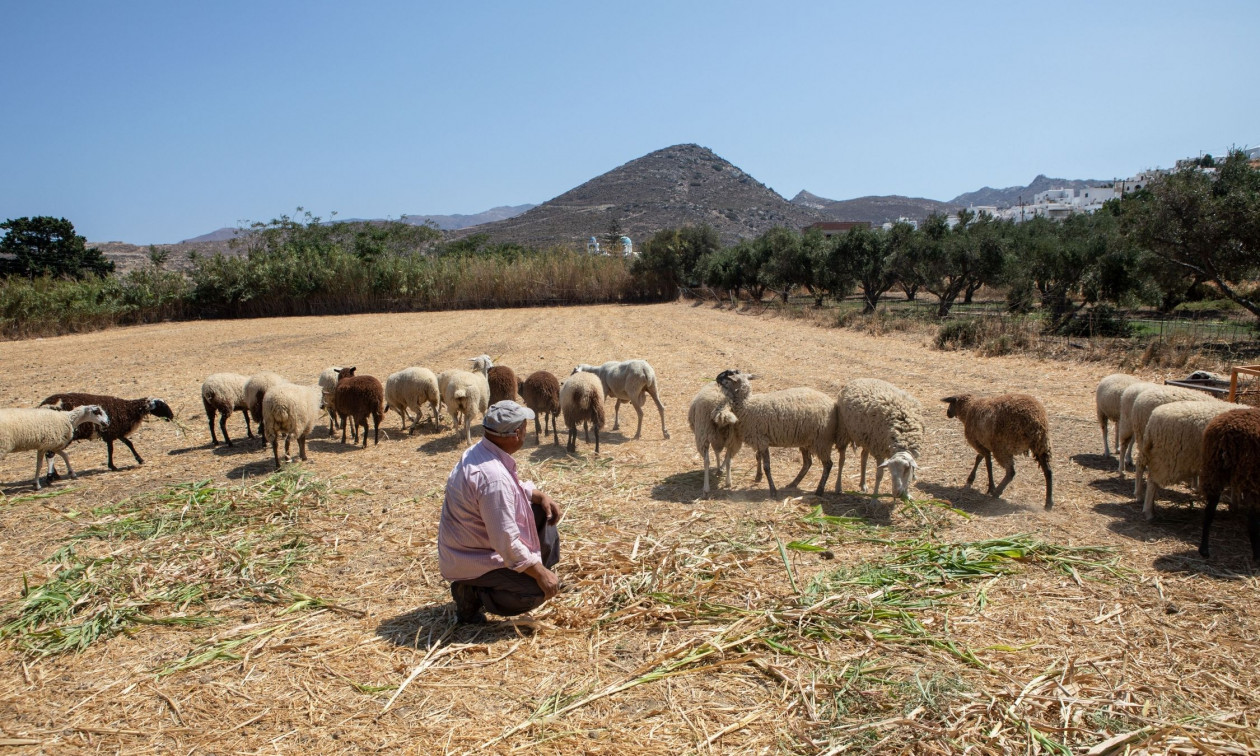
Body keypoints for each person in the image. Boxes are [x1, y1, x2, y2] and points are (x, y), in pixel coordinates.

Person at [438, 400, 562, 623]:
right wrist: (540, 575)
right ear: (516, 433)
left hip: (478, 544)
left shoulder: (481, 451)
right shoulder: (493, 478)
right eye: (525, 427)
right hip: (473, 558)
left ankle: (534, 572)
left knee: (541, 513)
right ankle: (471, 593)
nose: (526, 432)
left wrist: (539, 495)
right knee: (534, 592)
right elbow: (505, 542)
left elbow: (512, 491)